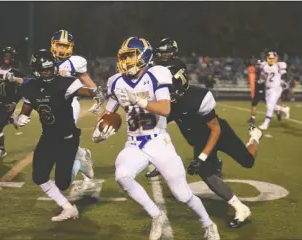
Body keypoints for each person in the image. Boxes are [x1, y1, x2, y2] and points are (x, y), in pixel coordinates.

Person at [92, 37, 220, 240]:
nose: (126, 62)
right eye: (124, 57)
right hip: (134, 143)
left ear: (144, 56)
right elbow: (109, 113)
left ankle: (208, 224)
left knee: (182, 195)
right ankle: (156, 215)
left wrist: (140, 101)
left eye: (130, 57)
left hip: (158, 141)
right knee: (123, 176)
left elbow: (165, 108)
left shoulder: (156, 75)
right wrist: (100, 130)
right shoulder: (115, 81)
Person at [146, 39, 258, 228]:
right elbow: (158, 129)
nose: (165, 93)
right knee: (206, 174)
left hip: (219, 134)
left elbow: (215, 129)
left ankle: (255, 136)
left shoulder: (197, 98)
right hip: (199, 140)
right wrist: (159, 158)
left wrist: (203, 156)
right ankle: (241, 208)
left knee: (248, 162)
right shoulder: (169, 102)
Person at [5, 30, 104, 190]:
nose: (62, 49)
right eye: (59, 45)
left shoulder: (76, 61)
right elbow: (35, 81)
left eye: (65, 46)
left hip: (68, 101)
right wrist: (16, 79)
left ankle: (75, 158)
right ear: (52, 45)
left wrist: (97, 96)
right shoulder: (45, 59)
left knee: (63, 132)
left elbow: (87, 81)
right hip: (49, 100)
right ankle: (80, 155)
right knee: (55, 133)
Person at [16, 49, 102, 221]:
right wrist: (21, 117)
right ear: (35, 70)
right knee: (39, 177)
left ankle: (81, 160)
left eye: (50, 68)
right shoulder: (31, 86)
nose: (48, 73)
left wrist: (98, 96)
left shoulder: (66, 82)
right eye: (43, 70)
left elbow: (91, 91)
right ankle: (69, 208)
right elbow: (27, 106)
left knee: (62, 184)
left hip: (67, 138)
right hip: (47, 137)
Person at [259, 52, 290, 130]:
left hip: (276, 88)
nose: (271, 60)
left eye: (272, 58)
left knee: (270, 106)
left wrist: (283, 81)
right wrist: (261, 79)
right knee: (270, 105)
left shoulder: (279, 65)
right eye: (269, 58)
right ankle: (284, 109)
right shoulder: (264, 66)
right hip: (268, 88)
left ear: (276, 59)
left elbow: (284, 75)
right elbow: (264, 76)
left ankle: (266, 124)